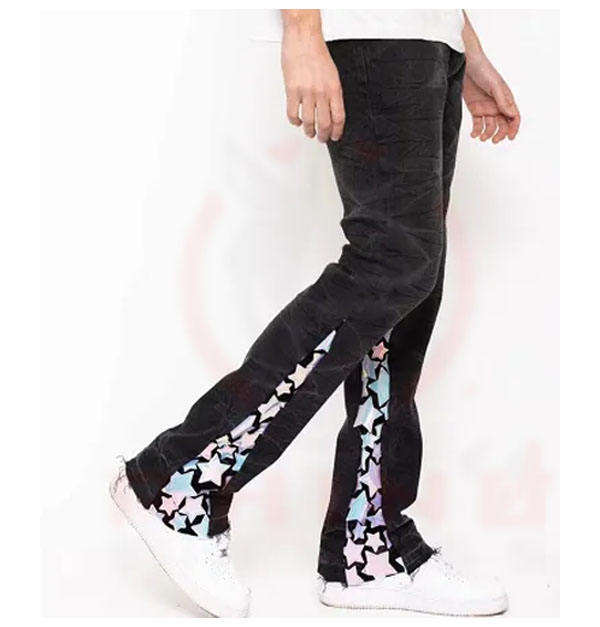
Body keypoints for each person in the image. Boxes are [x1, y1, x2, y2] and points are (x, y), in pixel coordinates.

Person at [110, 9, 521, 618]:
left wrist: (467, 43)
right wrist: (302, 30)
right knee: (392, 262)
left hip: (426, 33)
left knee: (410, 274)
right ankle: (179, 482)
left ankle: (368, 544)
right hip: (373, 26)